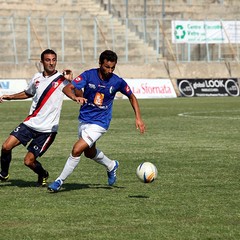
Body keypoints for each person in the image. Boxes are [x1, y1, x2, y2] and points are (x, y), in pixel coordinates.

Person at [48, 49, 146, 192]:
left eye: (113, 67)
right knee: (89, 153)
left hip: (101, 122)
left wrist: (138, 118)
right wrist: (75, 97)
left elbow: (132, 97)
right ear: (100, 63)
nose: (110, 70)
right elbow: (68, 88)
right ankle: (111, 165)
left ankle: (59, 181)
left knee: (76, 150)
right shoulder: (89, 75)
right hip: (84, 120)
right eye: (107, 67)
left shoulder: (117, 81)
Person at [0, 49, 73, 187]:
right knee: (5, 147)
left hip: (47, 130)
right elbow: (29, 93)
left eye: (54, 60)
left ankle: (43, 174)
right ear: (42, 62)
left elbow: (74, 93)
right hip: (30, 123)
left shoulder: (61, 80)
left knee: (28, 161)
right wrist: (11, 97)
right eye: (48, 60)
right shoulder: (37, 78)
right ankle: (4, 174)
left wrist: (72, 81)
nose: (51, 63)